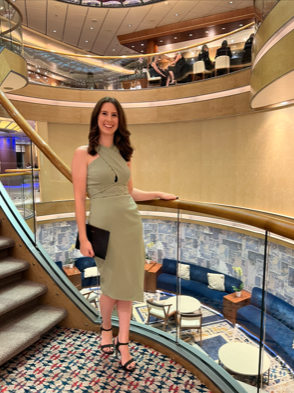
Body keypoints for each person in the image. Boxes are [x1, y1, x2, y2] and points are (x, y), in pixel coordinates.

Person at [71, 97, 176, 372]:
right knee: (110, 284)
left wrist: (157, 193)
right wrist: (83, 237)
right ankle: (106, 328)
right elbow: (80, 199)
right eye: (104, 114)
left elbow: (129, 193)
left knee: (128, 284)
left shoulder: (124, 152)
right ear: (96, 118)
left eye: (114, 114)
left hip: (130, 224)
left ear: (120, 120)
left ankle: (124, 341)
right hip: (103, 227)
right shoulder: (83, 153)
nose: (109, 119)